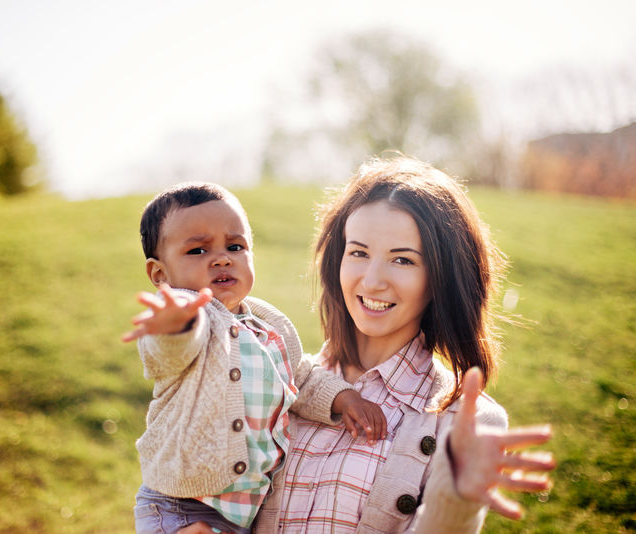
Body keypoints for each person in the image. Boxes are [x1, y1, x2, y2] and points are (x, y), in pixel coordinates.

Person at [180, 155, 555, 534]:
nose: (373, 281)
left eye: (403, 260)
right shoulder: (274, 376)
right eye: (358, 252)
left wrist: (454, 501)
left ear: (440, 277)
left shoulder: (466, 421)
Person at [122, 182, 387, 534]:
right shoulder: (189, 318)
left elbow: (302, 377)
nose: (221, 258)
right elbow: (169, 351)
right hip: (180, 505)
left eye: (235, 246)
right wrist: (174, 325)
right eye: (198, 251)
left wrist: (343, 396)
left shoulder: (268, 324)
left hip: (241, 515)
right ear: (160, 275)